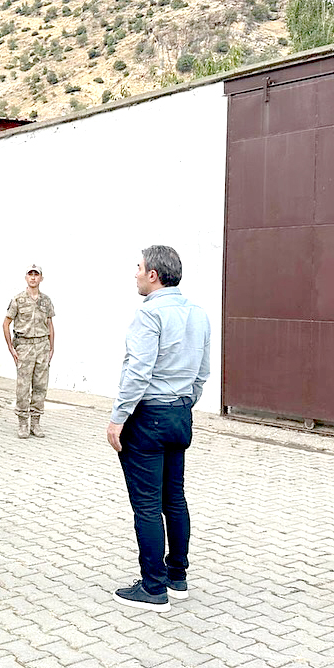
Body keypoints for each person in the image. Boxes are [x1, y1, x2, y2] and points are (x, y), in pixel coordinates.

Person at [107, 245, 210, 613]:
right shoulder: (198, 314)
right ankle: (177, 576)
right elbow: (202, 371)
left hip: (148, 415)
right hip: (180, 414)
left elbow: (138, 370)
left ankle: (153, 588)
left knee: (147, 505)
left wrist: (119, 416)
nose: (134, 273)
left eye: (138, 267)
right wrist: (185, 402)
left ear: (154, 275)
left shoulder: (148, 315)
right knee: (174, 497)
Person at [4, 264, 55, 439]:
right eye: (30, 274)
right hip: (24, 346)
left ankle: (35, 422)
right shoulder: (18, 300)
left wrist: (51, 347)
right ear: (26, 277)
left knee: (40, 385)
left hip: (42, 345)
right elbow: (6, 323)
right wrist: (11, 348)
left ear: (41, 278)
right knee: (23, 386)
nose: (33, 277)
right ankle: (23, 423)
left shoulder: (46, 301)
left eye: (36, 274)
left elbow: (50, 324)